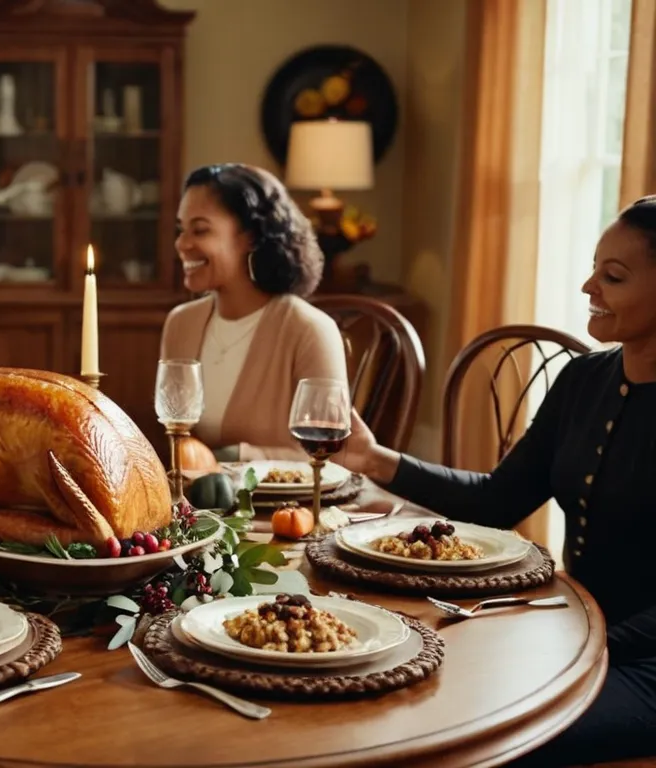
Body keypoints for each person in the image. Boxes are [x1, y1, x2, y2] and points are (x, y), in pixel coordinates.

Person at [338, 196, 656, 766]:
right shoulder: (584, 379)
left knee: (486, 733)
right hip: (576, 632)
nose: (589, 286)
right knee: (402, 691)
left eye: (613, 276)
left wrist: (582, 644)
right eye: (593, 267)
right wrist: (374, 458)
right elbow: (496, 501)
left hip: (637, 661)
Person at [160, 163, 348, 461]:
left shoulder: (309, 330)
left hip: (284, 507)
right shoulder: (180, 324)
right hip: (197, 507)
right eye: (181, 229)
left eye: (200, 230)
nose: (181, 243)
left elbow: (333, 457)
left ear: (251, 236)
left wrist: (236, 457)